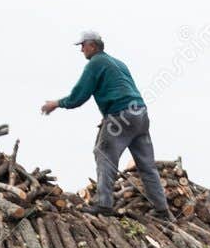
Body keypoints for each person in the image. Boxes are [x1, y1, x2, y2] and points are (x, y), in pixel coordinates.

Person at [40, 31, 172, 220]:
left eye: (82, 46)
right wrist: (109, 116)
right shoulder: (118, 63)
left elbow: (78, 96)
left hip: (121, 114)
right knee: (147, 165)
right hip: (140, 114)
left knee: (103, 153)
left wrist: (56, 104)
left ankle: (104, 204)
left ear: (92, 46)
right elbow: (123, 89)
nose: (81, 50)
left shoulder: (95, 63)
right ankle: (163, 210)